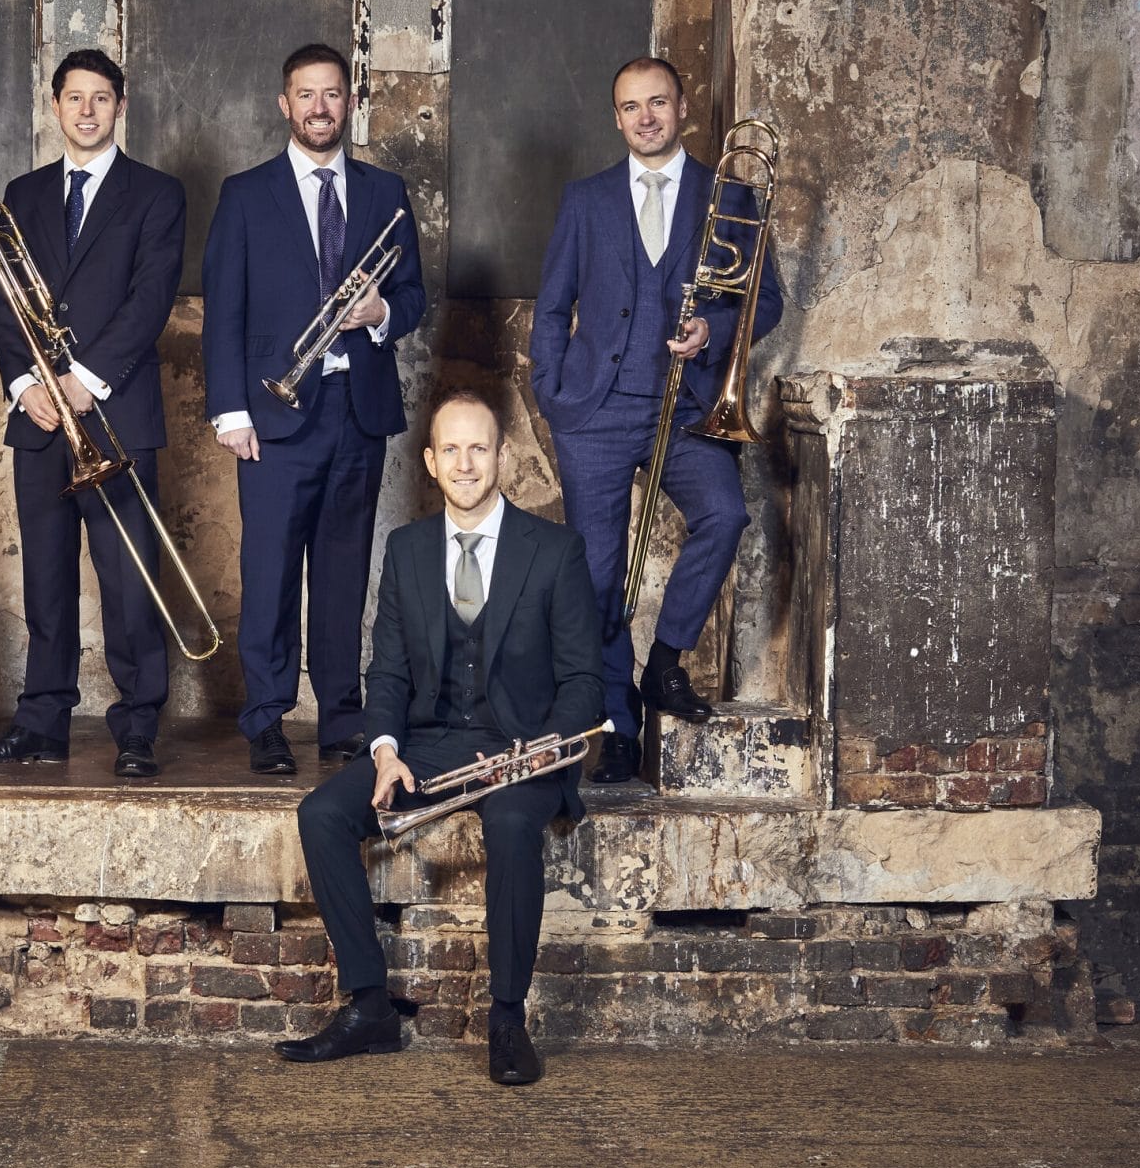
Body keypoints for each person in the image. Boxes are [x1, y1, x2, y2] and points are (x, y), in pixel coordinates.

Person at [276, 389, 602, 1087]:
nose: (464, 463)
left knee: (514, 828)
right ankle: (370, 1008)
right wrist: (387, 749)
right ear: (429, 461)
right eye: (449, 449)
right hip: (427, 740)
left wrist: (548, 745)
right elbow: (387, 669)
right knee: (322, 814)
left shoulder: (556, 550)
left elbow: (584, 680)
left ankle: (508, 1019)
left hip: (523, 747)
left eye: (478, 448)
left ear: (502, 456)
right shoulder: (407, 549)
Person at [528, 56, 783, 784]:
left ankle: (664, 662)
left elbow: (767, 300)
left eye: (658, 104)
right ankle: (614, 721)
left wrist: (717, 332)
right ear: (617, 117)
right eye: (631, 107)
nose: (646, 117)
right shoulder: (586, 199)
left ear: (681, 109)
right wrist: (550, 391)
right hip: (596, 412)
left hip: (690, 406)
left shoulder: (729, 191)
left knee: (726, 515)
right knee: (601, 575)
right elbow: (551, 307)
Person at [201, 44, 425, 776]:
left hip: (354, 409)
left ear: (348, 102)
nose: (319, 108)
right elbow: (223, 311)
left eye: (332, 94)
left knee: (341, 571)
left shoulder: (386, 191)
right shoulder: (245, 193)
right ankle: (266, 718)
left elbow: (415, 295)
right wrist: (229, 411)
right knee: (268, 572)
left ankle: (340, 720)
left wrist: (380, 309)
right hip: (272, 414)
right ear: (284, 104)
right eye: (306, 95)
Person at [0, 49, 188, 781]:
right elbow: (5, 299)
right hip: (38, 416)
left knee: (128, 578)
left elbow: (151, 299)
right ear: (54, 106)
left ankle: (136, 726)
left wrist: (85, 380)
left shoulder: (157, 194)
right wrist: (25, 383)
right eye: (73, 98)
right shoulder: (22, 194)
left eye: (100, 98)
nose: (86, 110)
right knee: (48, 579)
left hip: (112, 409)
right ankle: (43, 723)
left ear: (121, 106)